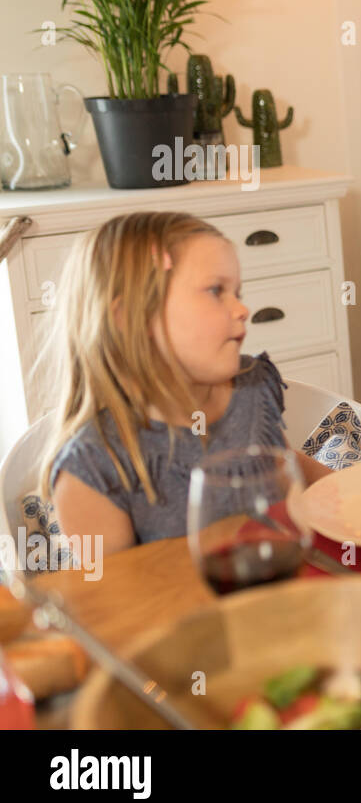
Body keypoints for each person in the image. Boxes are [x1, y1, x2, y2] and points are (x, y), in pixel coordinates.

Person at [39, 212, 334, 555]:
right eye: (215, 291)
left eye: (237, 291)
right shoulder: (92, 469)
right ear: (131, 318)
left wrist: (354, 496)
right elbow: (118, 599)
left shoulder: (251, 389)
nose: (242, 309)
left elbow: (285, 467)